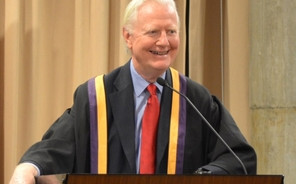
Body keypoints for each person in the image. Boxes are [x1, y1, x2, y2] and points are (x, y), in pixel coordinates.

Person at [9, 0, 257, 183]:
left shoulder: (193, 98)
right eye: (153, 32)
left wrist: (200, 178)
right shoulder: (96, 97)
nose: (164, 42)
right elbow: (54, 146)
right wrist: (27, 168)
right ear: (128, 36)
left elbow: (240, 158)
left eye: (171, 31)